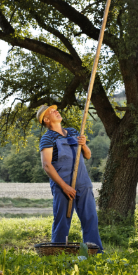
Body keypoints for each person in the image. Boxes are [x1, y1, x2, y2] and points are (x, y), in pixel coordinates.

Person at [36, 105, 103, 251]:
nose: (57, 111)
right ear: (46, 119)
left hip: (83, 183)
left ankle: (95, 254)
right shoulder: (47, 138)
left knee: (90, 219)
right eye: (52, 112)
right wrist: (64, 187)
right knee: (62, 222)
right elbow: (47, 165)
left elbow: (88, 155)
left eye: (56, 110)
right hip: (63, 186)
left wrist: (84, 145)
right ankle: (57, 255)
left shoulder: (72, 132)